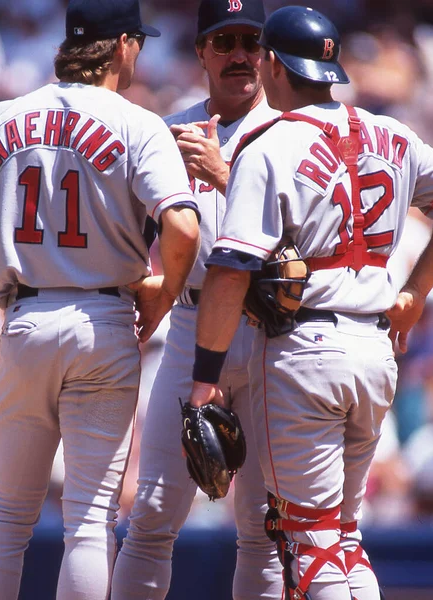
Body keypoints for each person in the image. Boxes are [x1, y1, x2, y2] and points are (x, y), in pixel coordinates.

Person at [0, 0, 201, 598]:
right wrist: (163, 296)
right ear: (122, 45)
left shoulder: (2, 117)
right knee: (88, 523)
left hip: (27, 315)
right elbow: (185, 228)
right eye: (136, 42)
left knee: (6, 518)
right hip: (105, 318)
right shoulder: (138, 122)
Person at [189, 5, 433, 600]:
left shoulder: (271, 146)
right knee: (341, 535)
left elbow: (229, 272)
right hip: (375, 350)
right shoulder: (394, 134)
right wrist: (413, 293)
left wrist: (204, 377)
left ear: (273, 63)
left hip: (305, 352)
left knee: (309, 538)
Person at [111, 0, 283, 598]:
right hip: (189, 322)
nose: (239, 55)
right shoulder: (167, 129)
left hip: (271, 330)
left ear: (267, 51)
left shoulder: (295, 130)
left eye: (250, 41)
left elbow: (311, 247)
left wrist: (227, 173)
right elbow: (128, 233)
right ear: (201, 51)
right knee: (152, 513)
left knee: (263, 524)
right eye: (224, 41)